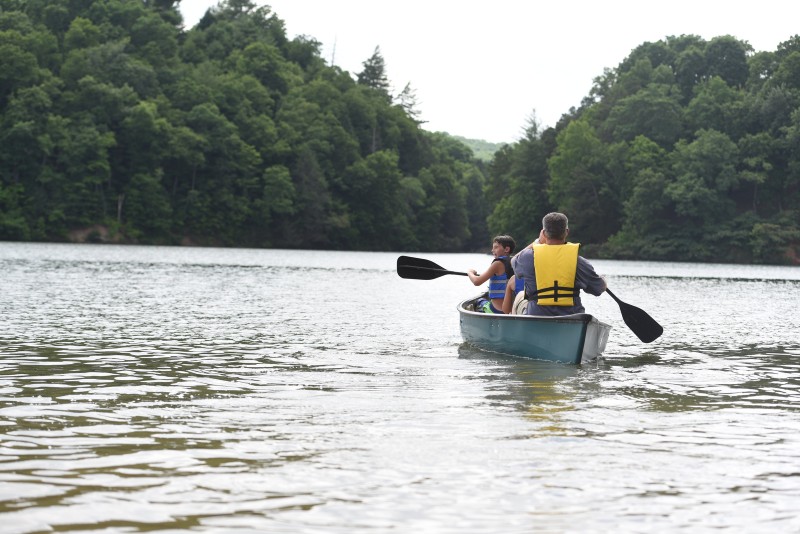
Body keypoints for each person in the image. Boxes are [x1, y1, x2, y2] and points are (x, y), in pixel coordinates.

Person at [511, 212, 606, 316]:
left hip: (537, 315)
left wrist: (538, 242)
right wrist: (603, 280)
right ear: (566, 232)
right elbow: (598, 289)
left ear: (544, 233)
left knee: (520, 296)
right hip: (571, 317)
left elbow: (513, 260)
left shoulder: (527, 257)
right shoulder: (578, 261)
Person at [467, 235, 516, 314]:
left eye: (496, 247)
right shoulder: (515, 262)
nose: (492, 250)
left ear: (506, 249)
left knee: (479, 301)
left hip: (496, 310)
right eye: (493, 248)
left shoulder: (497, 263)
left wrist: (470, 272)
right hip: (511, 310)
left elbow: (477, 281)